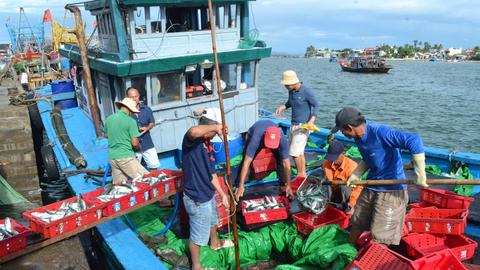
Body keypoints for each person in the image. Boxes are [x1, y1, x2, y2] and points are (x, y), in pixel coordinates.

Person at [330, 107, 427, 246]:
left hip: (391, 190)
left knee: (380, 237)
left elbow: (414, 140)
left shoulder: (380, 132)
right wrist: (356, 174)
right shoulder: (358, 137)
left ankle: (371, 263)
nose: (342, 134)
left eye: (342, 130)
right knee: (357, 222)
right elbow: (369, 156)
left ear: (349, 127)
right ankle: (348, 254)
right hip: (371, 186)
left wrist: (420, 171)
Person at [182, 108, 230, 270]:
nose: (215, 135)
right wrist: (216, 128)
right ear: (208, 126)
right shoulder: (192, 140)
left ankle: (215, 242)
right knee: (197, 236)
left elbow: (212, 174)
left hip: (208, 193)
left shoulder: (207, 146)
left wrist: (222, 194)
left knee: (213, 221)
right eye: (214, 131)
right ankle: (197, 266)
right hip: (196, 198)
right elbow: (193, 131)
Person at [275, 70, 319, 180]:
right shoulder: (291, 91)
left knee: (294, 153)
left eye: (287, 84)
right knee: (298, 152)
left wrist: (311, 120)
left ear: (294, 82)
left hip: (304, 126)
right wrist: (283, 106)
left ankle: (301, 175)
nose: (285, 86)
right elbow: (290, 102)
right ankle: (303, 173)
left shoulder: (306, 91)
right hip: (293, 125)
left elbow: (316, 105)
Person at [235, 120, 294, 201]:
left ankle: (283, 185)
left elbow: (286, 164)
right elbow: (246, 162)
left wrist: (289, 184)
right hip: (254, 134)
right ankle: (239, 187)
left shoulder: (282, 140)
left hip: (272, 137)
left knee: (280, 160)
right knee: (246, 160)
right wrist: (241, 185)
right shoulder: (255, 139)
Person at [104, 97, 148, 184]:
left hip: (112, 157)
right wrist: (140, 148)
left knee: (120, 186)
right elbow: (135, 143)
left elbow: (106, 135)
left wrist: (119, 133)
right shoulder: (130, 121)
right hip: (125, 156)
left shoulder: (109, 118)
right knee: (146, 178)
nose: (132, 113)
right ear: (129, 110)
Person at [322, 140, 363, 215]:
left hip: (345, 195)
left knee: (344, 187)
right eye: (331, 157)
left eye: (335, 157)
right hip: (331, 193)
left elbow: (357, 188)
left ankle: (347, 208)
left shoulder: (352, 167)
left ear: (343, 154)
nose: (333, 160)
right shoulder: (326, 164)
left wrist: (352, 203)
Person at [127, 87, 161, 171]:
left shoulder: (146, 109)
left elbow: (152, 123)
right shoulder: (125, 112)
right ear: (128, 98)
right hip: (132, 146)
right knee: (133, 171)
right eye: (132, 97)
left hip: (147, 143)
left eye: (136, 96)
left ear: (139, 96)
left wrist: (147, 128)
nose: (134, 99)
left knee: (154, 167)